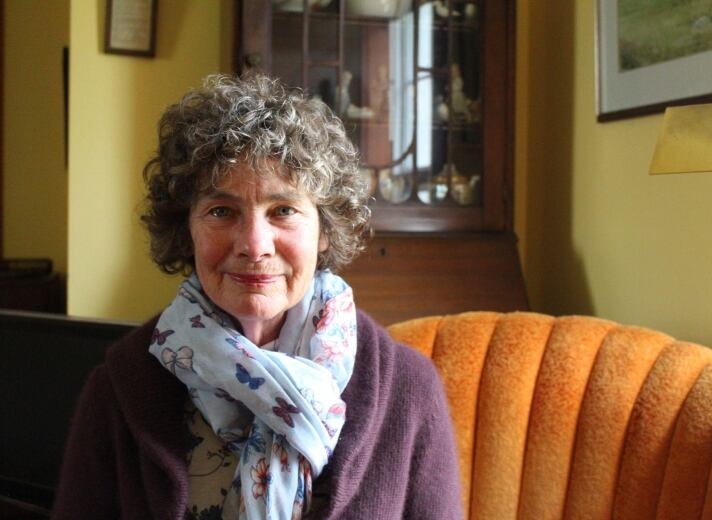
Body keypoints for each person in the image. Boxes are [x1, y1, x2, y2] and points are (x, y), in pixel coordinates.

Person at [52, 74, 462, 519]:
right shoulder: (118, 389)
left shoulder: (409, 391)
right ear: (185, 230)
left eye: (283, 211)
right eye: (221, 211)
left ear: (325, 230)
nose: (254, 243)